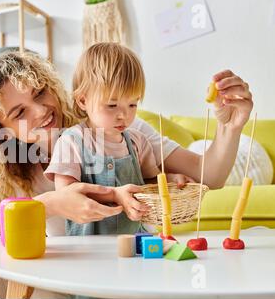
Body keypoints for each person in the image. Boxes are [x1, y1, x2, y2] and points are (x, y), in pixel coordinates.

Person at [0, 51, 253, 298]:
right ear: (3, 131)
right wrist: (51, 204)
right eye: (19, 113)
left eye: (40, 93)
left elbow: (209, 175)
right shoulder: (13, 168)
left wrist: (230, 126)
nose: (40, 111)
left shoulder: (120, 128)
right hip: (76, 277)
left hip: (128, 267)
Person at [44, 43, 194, 236]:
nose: (124, 115)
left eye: (132, 104)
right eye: (112, 105)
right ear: (83, 101)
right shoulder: (71, 141)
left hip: (137, 238)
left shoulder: (137, 142)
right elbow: (65, 195)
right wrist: (113, 194)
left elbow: (150, 181)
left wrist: (171, 179)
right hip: (89, 246)